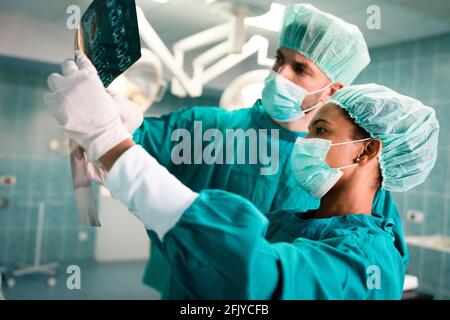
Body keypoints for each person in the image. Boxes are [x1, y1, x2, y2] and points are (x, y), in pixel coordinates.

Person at [44, 55, 439, 298]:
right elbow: (205, 260)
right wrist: (122, 156)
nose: (303, 143)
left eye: (319, 133)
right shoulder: (293, 225)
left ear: (368, 150)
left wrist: (114, 147)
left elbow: (252, 281)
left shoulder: (368, 260)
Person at [125, 3, 398, 295]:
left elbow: (371, 259)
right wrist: (117, 118)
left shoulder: (350, 170)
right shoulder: (207, 128)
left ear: (332, 90)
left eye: (300, 69)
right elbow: (126, 143)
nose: (281, 74)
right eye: (279, 60)